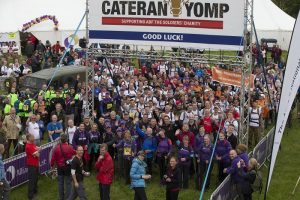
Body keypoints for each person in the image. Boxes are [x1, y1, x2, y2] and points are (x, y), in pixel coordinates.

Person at [51, 134, 76, 200]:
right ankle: (68, 198)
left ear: (60, 140)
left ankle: (61, 198)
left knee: (60, 183)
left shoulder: (56, 148)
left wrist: (52, 166)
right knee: (68, 183)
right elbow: (74, 153)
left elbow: (53, 159)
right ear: (67, 139)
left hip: (60, 167)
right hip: (67, 167)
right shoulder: (69, 147)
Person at [25, 134, 40, 200]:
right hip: (32, 165)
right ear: (29, 138)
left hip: (35, 164)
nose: (34, 138)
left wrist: (37, 150)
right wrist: (38, 151)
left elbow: (37, 149)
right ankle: (30, 196)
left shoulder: (32, 144)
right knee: (32, 180)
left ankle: (34, 191)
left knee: (36, 178)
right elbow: (38, 154)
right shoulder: (28, 146)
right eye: (32, 137)